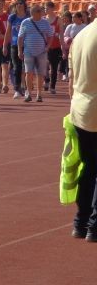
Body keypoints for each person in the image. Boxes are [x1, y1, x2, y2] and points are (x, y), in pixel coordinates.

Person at [68, 17, 97, 242]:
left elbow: (71, 80)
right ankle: (94, 226)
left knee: (89, 166)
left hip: (80, 109)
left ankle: (81, 221)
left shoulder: (81, 35)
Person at [18, 4, 53, 103]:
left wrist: (47, 47)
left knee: (40, 74)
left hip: (41, 52)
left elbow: (50, 35)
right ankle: (28, 93)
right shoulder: (25, 22)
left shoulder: (45, 23)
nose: (40, 13)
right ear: (32, 13)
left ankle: (39, 94)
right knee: (28, 73)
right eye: (38, 11)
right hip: (28, 52)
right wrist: (19, 50)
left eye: (40, 11)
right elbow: (20, 37)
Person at [4, 0, 29, 99]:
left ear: (24, 5)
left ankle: (27, 88)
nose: (19, 5)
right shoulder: (12, 17)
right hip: (14, 45)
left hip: (27, 45)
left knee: (27, 68)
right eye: (17, 4)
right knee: (16, 67)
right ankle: (17, 89)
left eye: (21, 3)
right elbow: (8, 32)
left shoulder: (28, 17)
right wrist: (4, 46)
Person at [44, 1, 63, 94]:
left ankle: (52, 86)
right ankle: (46, 80)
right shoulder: (43, 20)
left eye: (47, 8)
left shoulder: (58, 20)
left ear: (52, 9)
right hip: (45, 46)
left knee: (54, 67)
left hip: (55, 46)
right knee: (44, 65)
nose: (45, 10)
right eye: (45, 8)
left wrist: (63, 46)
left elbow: (61, 34)